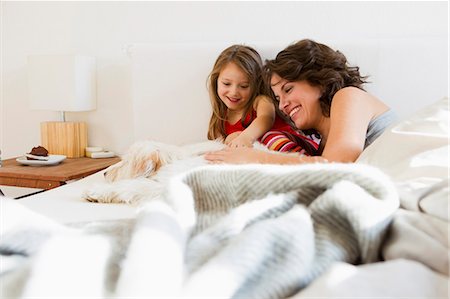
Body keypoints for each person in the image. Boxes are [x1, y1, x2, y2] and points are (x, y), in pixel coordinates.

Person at [205, 39, 397, 164]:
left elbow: (335, 169)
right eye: (278, 98)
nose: (282, 106)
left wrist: (257, 158)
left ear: (319, 80)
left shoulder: (348, 96)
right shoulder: (322, 144)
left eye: (288, 89)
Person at [207, 44, 318, 155]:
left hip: (298, 145)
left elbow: (266, 118)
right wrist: (230, 139)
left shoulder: (260, 101)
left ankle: (302, 160)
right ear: (216, 81)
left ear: (255, 84)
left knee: (268, 136)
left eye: (244, 86)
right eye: (226, 84)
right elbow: (220, 144)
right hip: (269, 158)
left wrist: (246, 136)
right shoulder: (220, 117)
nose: (234, 92)